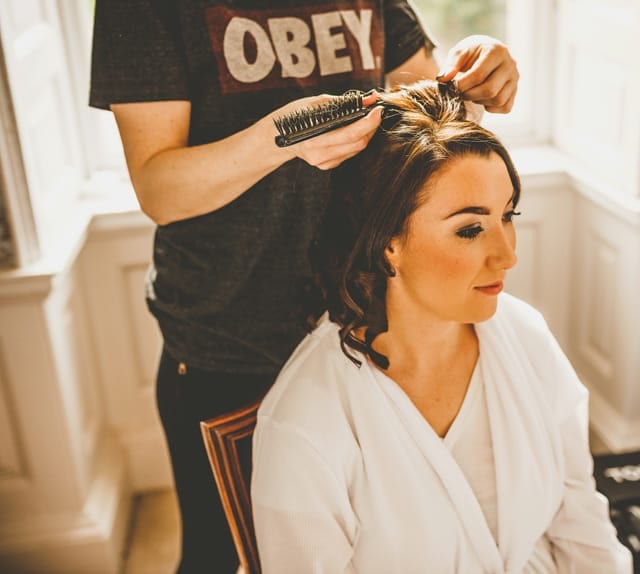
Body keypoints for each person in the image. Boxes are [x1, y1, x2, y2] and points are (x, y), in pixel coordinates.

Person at [88, 1, 519, 571]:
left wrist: (475, 79)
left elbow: (422, 109)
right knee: (220, 553)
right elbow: (158, 190)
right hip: (231, 337)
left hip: (362, 327)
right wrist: (278, 139)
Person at [251, 80, 632, 573]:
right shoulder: (306, 422)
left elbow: (579, 518)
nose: (507, 255)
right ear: (388, 243)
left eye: (507, 216)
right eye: (470, 229)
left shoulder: (525, 337)